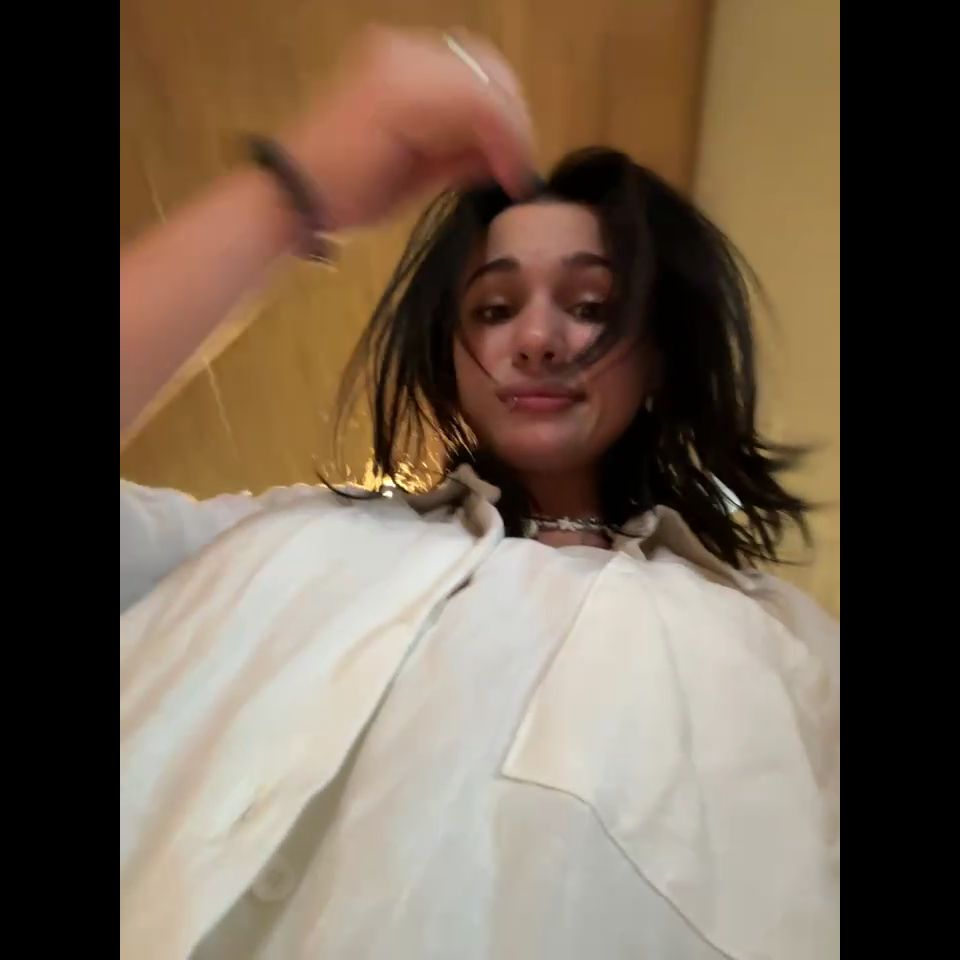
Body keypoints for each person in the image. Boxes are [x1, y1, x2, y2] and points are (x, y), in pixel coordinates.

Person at [120, 26, 839, 960]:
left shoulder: (790, 654)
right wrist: (287, 194)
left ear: (661, 350)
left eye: (590, 305)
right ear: (449, 357)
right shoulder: (276, 541)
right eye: (494, 309)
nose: (536, 340)